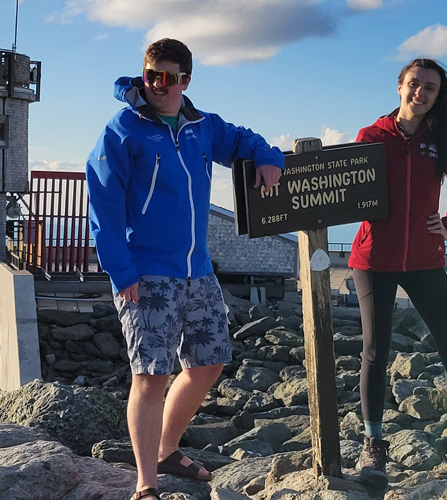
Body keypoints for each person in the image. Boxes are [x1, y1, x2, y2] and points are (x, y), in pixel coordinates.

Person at [85, 38, 284, 500]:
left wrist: (268, 157)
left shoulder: (202, 127)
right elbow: (103, 205)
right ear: (144, 75)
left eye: (169, 77)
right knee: (151, 376)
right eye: (152, 75)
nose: (159, 84)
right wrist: (121, 271)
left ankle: (167, 448)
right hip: (146, 273)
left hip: (198, 270)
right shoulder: (123, 129)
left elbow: (243, 140)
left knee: (209, 364)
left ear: (186, 81)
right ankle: (146, 483)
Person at [348, 58, 447, 487]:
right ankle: (373, 447)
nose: (420, 92)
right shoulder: (371, 136)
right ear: (400, 86)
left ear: (438, 96)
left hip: (424, 260)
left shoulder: (442, 139)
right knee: (375, 351)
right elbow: (349, 192)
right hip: (373, 260)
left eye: (430, 88)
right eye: (414, 84)